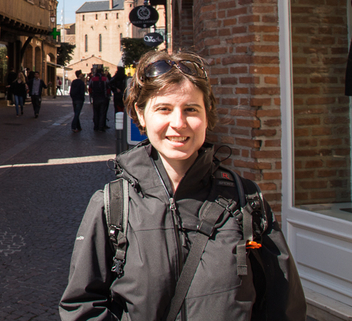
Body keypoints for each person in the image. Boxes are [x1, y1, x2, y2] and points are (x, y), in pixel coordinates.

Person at [58, 51, 306, 320]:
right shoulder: (113, 206)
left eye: (191, 109)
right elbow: (82, 306)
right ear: (141, 114)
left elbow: (283, 307)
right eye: (164, 109)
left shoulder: (246, 202)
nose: (178, 123)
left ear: (207, 115)